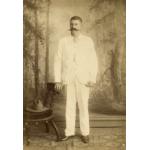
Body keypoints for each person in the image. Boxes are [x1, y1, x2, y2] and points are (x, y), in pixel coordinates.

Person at [54, 16, 98, 143]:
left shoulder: (88, 41)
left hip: (84, 79)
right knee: (69, 106)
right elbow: (57, 61)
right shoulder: (63, 41)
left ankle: (85, 133)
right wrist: (58, 80)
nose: (74, 26)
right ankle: (69, 132)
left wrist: (92, 78)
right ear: (70, 26)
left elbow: (93, 61)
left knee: (84, 106)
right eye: (72, 24)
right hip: (68, 79)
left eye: (76, 24)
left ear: (81, 26)